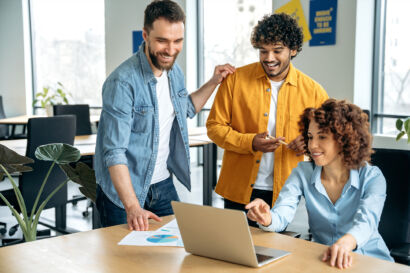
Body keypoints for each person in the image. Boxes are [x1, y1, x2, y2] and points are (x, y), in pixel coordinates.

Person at [94, 0, 235, 231]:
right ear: (145, 35)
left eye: (177, 41)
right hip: (124, 194)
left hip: (161, 183)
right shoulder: (122, 82)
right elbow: (114, 152)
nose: (170, 50)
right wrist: (132, 206)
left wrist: (213, 82)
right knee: (125, 262)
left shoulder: (173, 72)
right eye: (162, 41)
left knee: (176, 251)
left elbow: (185, 109)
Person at [206, 13, 328, 225]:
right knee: (233, 253)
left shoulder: (314, 92)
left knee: (276, 255)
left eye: (277, 50)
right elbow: (214, 127)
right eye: (263, 50)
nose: (269, 58)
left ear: (293, 50)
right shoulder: (235, 81)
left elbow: (328, 138)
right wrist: (251, 142)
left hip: (286, 193)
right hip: (237, 190)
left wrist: (308, 144)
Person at [246, 99, 394, 268]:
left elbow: (366, 223)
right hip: (326, 261)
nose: (312, 145)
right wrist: (267, 218)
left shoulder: (372, 177)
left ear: (343, 139)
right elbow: (282, 214)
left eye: (322, 137)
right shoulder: (302, 172)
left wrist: (344, 244)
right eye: (310, 137)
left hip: (370, 262)